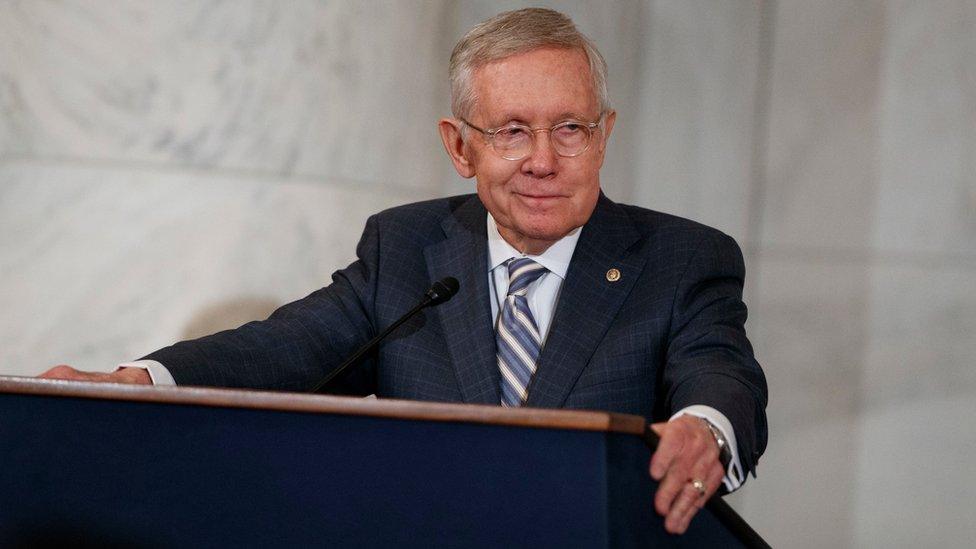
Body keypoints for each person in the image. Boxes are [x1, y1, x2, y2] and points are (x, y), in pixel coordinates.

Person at [40, 8, 767, 535]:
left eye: (569, 129)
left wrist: (706, 426)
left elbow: (722, 373)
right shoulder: (408, 247)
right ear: (460, 147)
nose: (543, 159)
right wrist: (142, 380)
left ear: (603, 136)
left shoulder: (680, 260)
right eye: (513, 131)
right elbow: (288, 345)